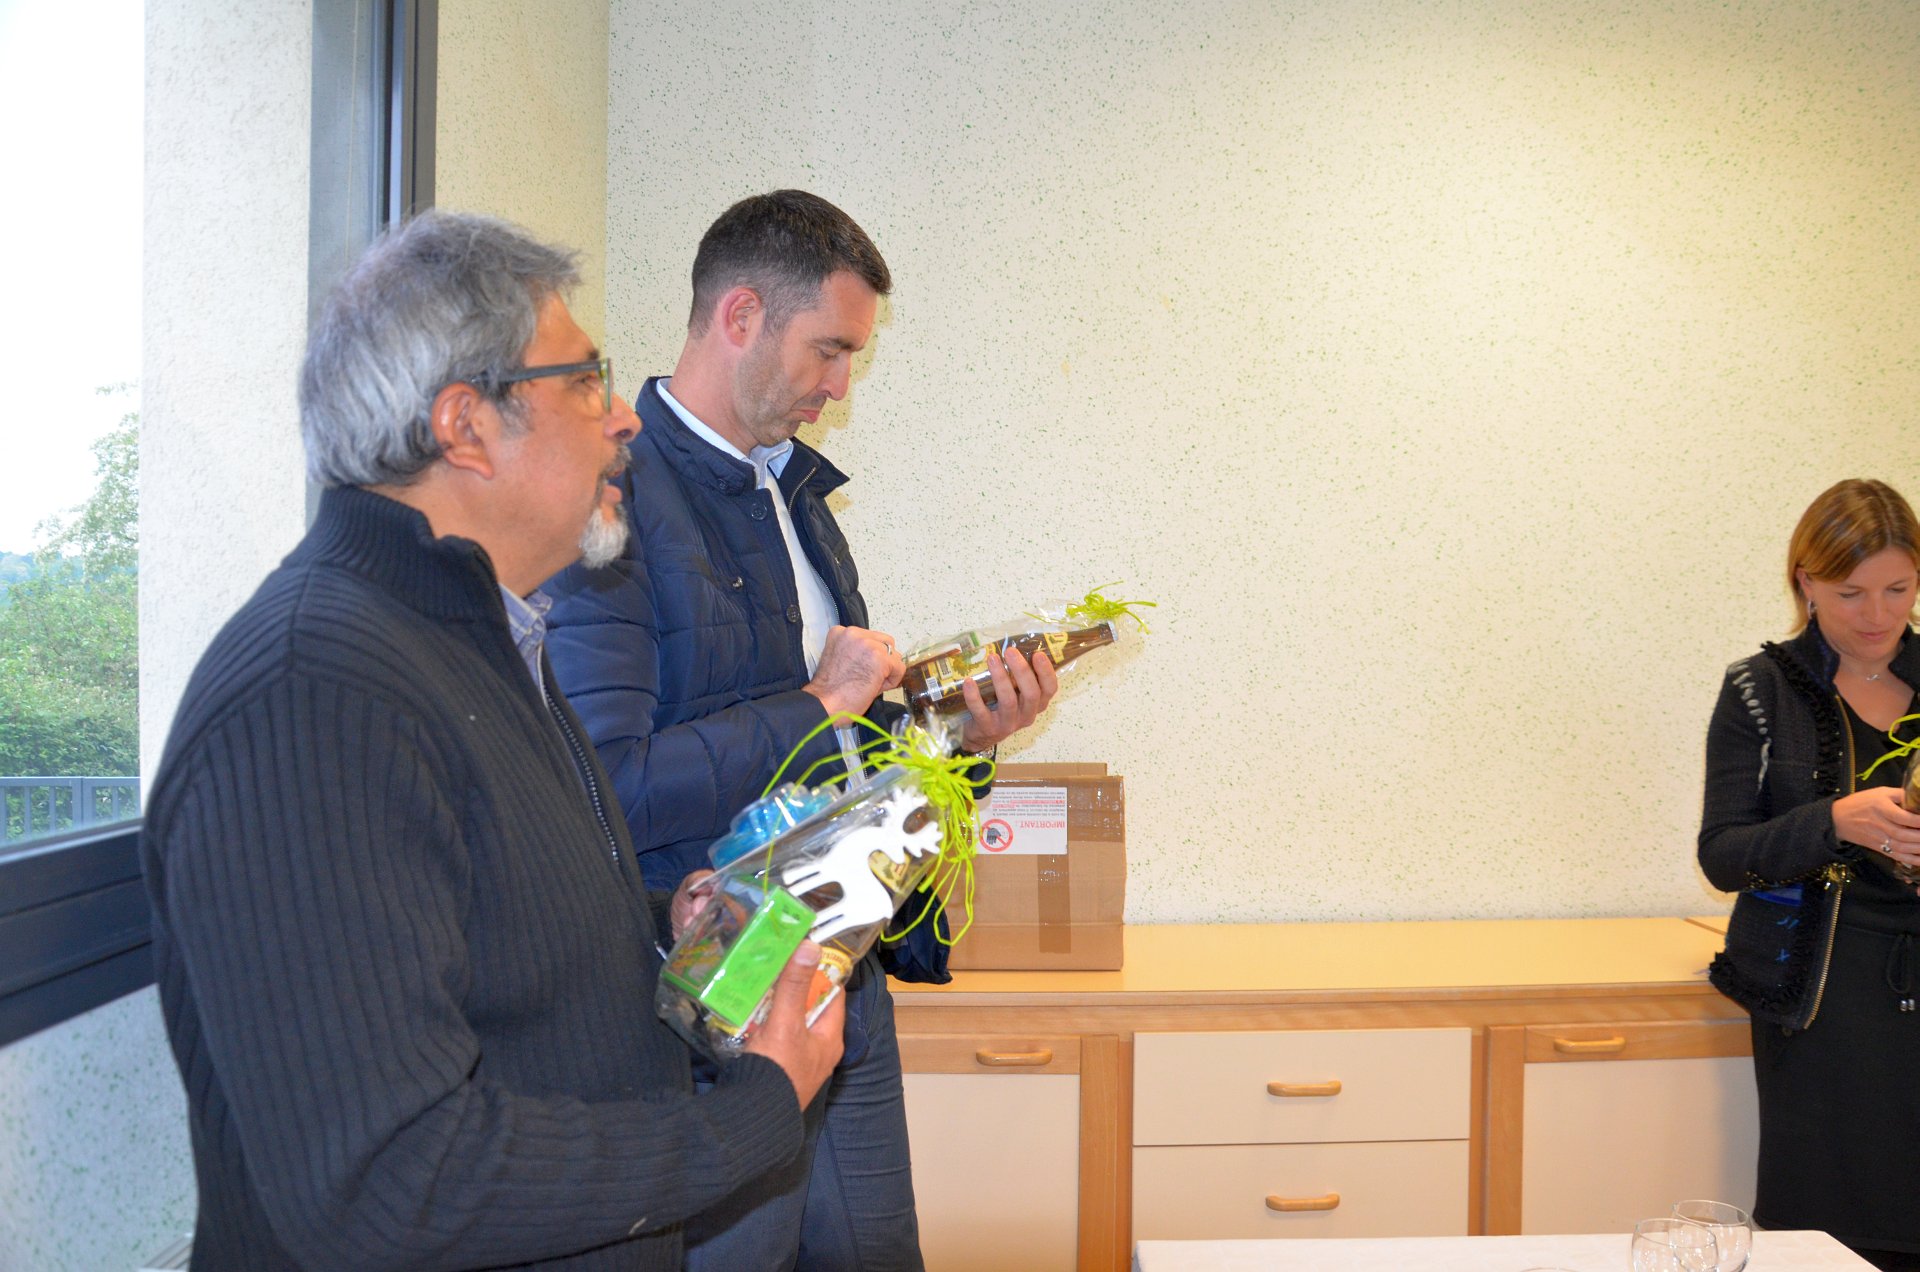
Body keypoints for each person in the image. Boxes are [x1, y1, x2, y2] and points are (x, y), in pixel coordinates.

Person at [138, 210, 844, 1272]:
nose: (626, 419)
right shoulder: (315, 695)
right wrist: (751, 1113)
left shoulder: (482, 638)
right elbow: (392, 1179)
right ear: (465, 425)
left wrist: (661, 930)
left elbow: (486, 940)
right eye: (588, 381)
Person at [544, 189, 1058, 1270]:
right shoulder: (611, 506)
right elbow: (607, 788)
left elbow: (836, 757)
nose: (840, 385)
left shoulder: (796, 497)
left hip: (840, 971)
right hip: (713, 1014)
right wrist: (818, 701)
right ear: (740, 316)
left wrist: (963, 740)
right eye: (830, 350)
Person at [1700, 477, 1920, 1272]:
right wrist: (1833, 822)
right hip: (1819, 1003)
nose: (1877, 615)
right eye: (1850, 592)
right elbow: (1723, 853)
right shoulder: (1759, 690)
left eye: (1899, 588)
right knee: (1824, 1238)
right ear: (1806, 582)